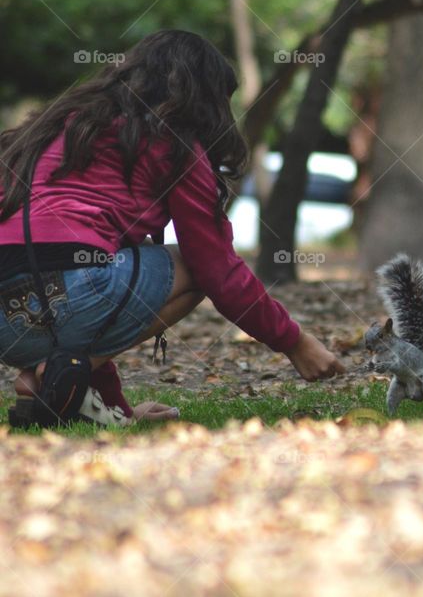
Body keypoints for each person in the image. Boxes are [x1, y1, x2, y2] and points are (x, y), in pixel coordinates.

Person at [0, 30, 345, 425]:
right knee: (192, 267)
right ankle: (51, 378)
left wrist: (120, 411)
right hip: (73, 295)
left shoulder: (61, 126)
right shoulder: (171, 141)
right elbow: (220, 271)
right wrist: (294, 341)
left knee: (92, 267)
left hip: (7, 325)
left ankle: (58, 379)